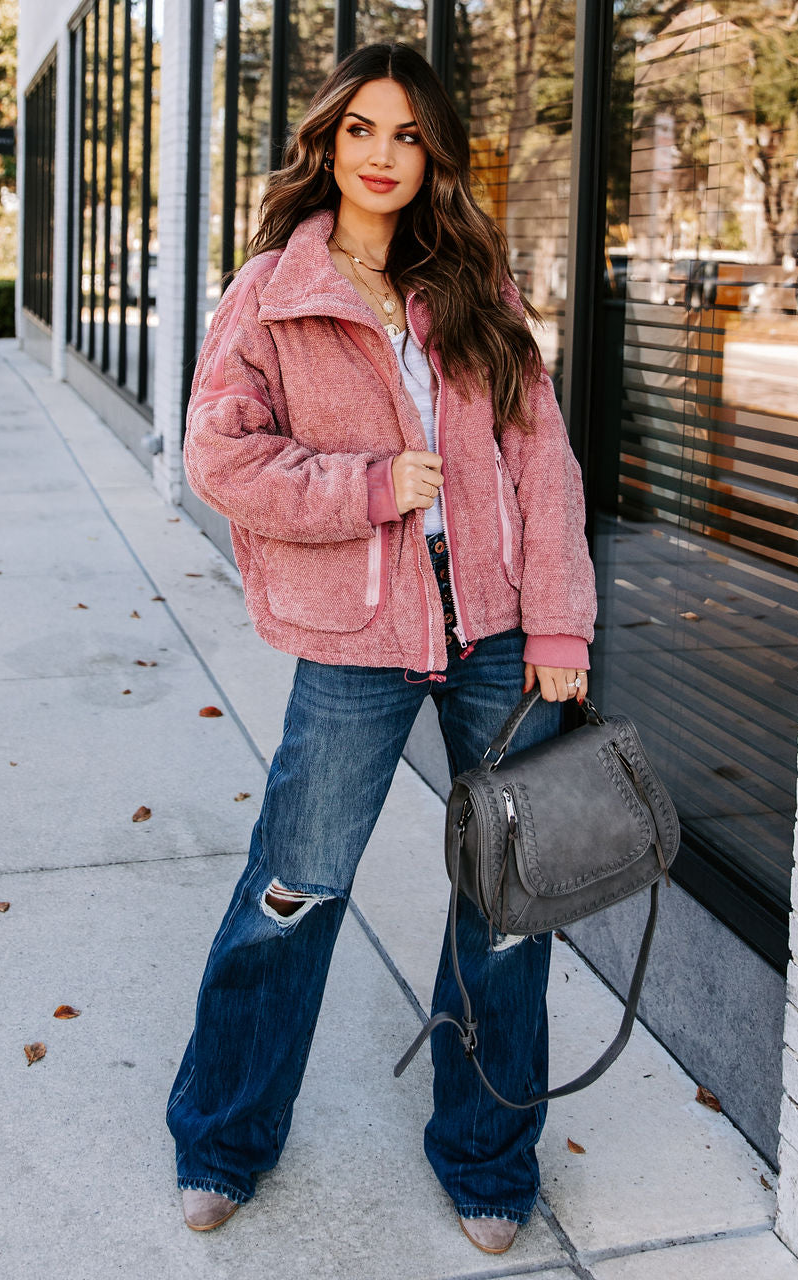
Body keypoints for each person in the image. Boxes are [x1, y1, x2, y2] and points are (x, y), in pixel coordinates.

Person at [167, 41, 596, 1256]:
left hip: (501, 635)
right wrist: (364, 487)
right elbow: (222, 455)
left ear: (433, 155)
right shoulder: (273, 288)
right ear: (328, 139)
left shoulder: (475, 281)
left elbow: (541, 460)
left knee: (507, 907)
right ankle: (223, 1136)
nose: (384, 156)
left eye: (409, 136)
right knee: (292, 892)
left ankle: (485, 1153)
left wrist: (558, 618)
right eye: (363, 129)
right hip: (358, 631)